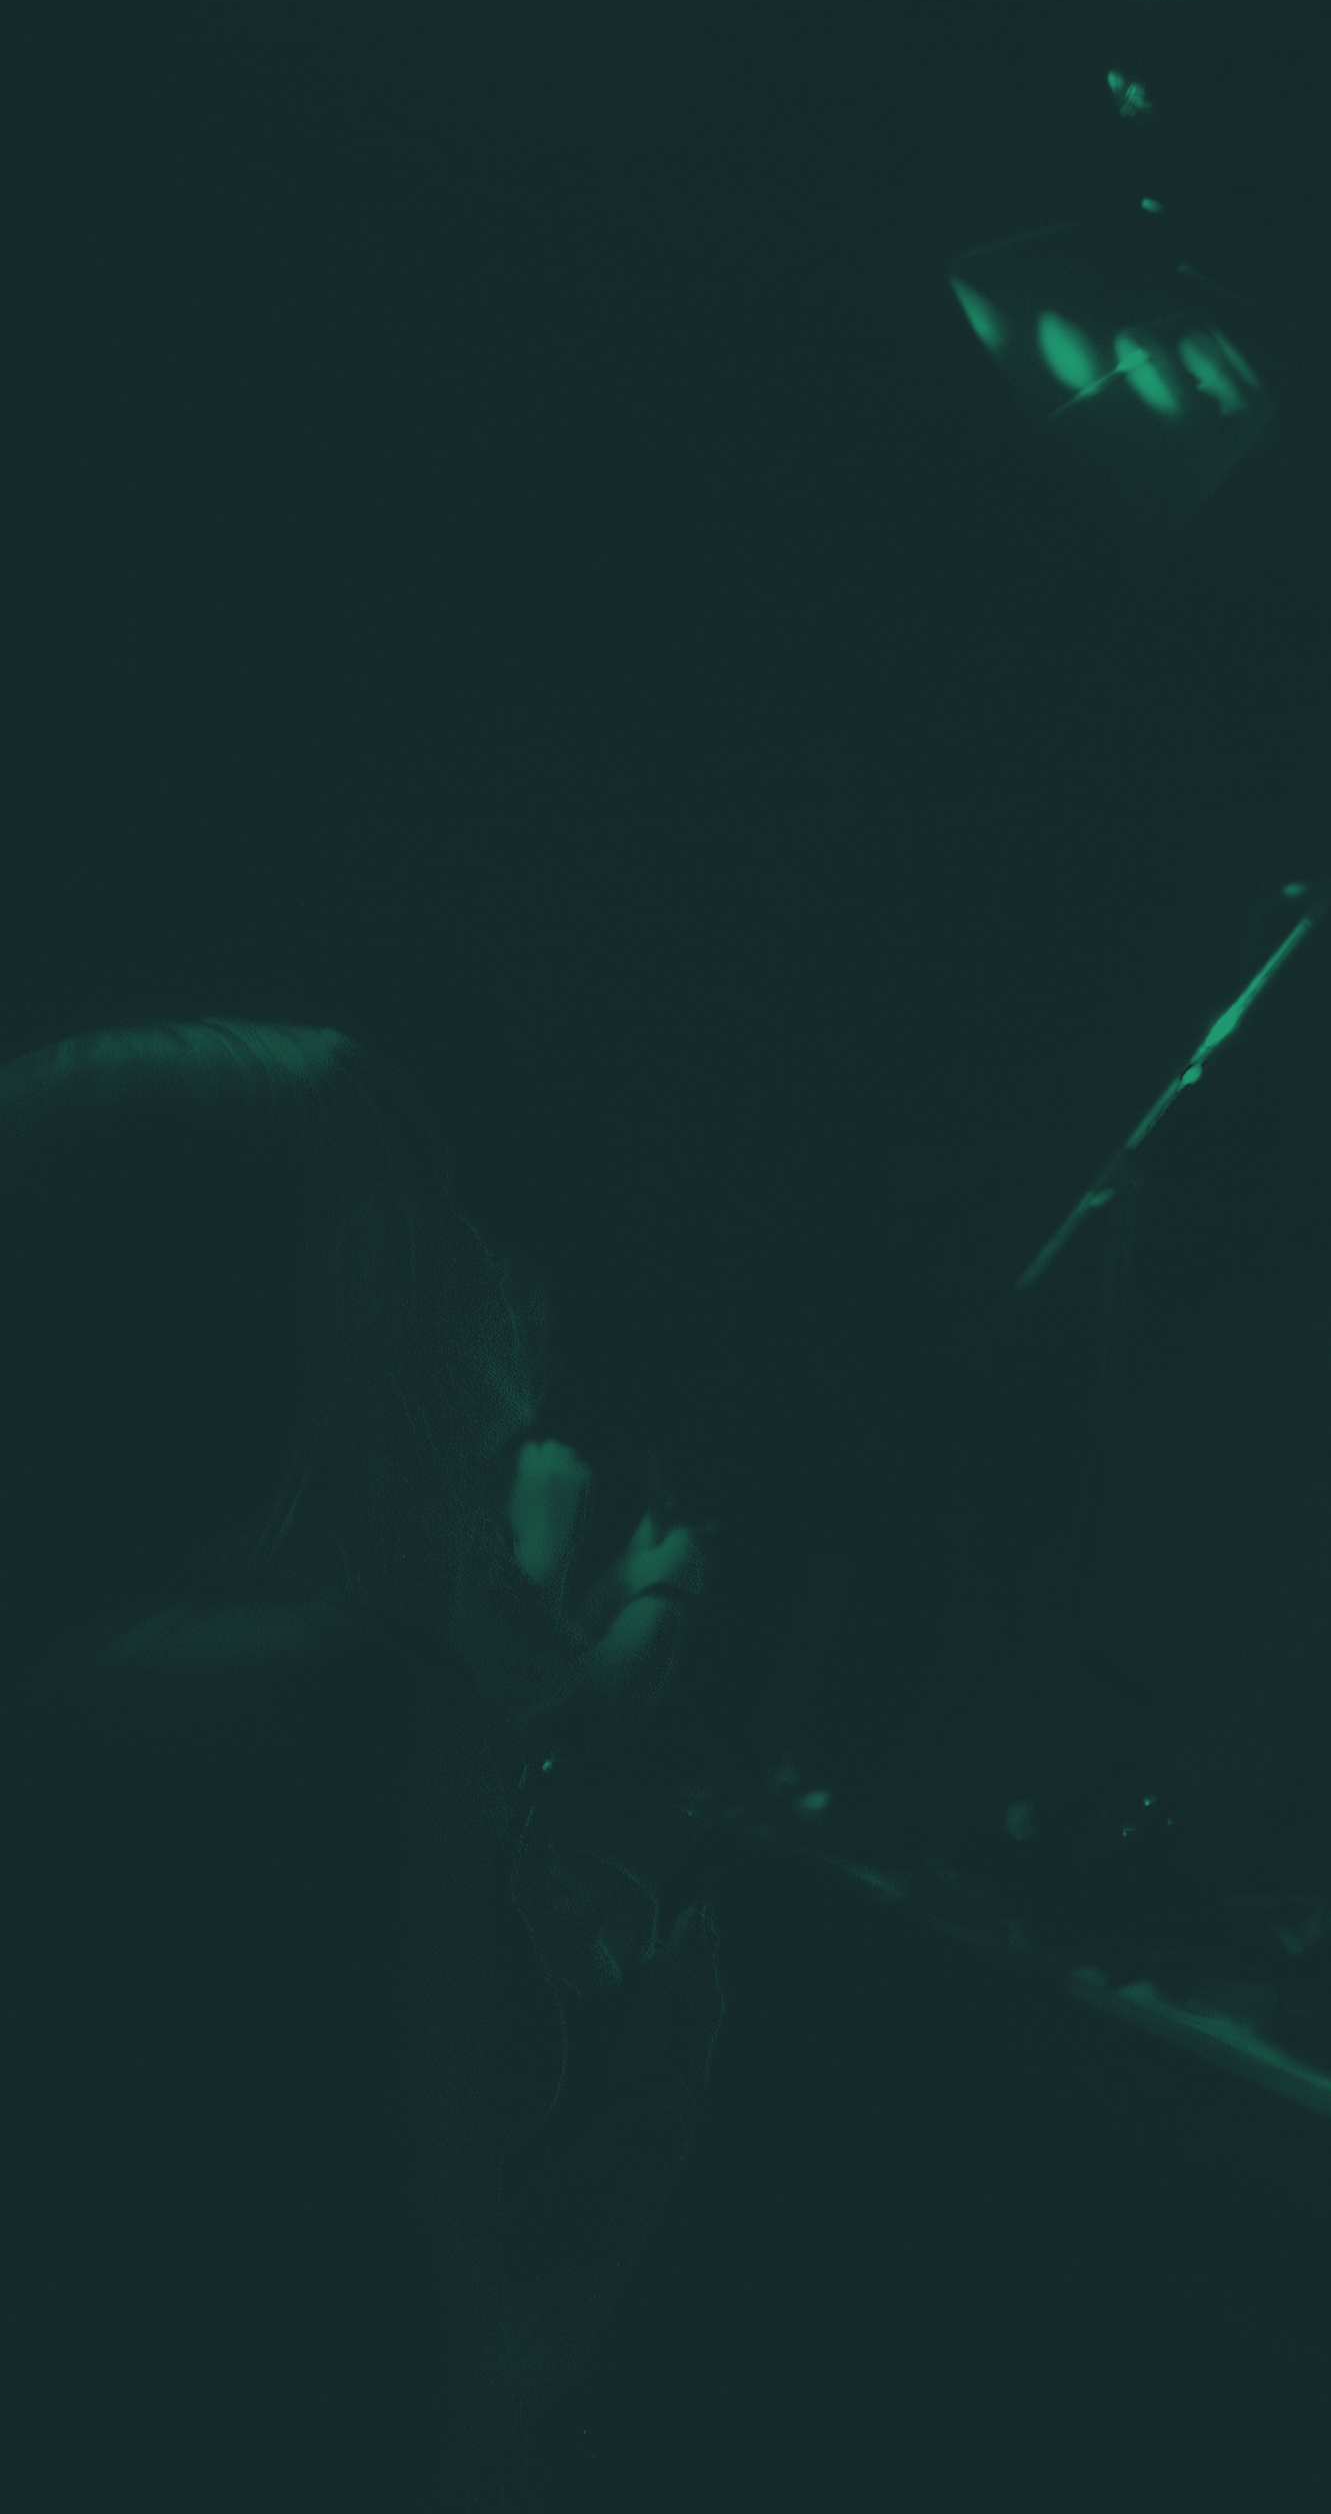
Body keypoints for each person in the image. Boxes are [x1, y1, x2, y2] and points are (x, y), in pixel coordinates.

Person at [0, 1018, 711, 2504]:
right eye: (405, 1212)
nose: (461, 1258)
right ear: (259, 1297)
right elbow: (438, 2385)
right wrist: (662, 2083)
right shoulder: (301, 1696)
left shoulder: (91, 1638)